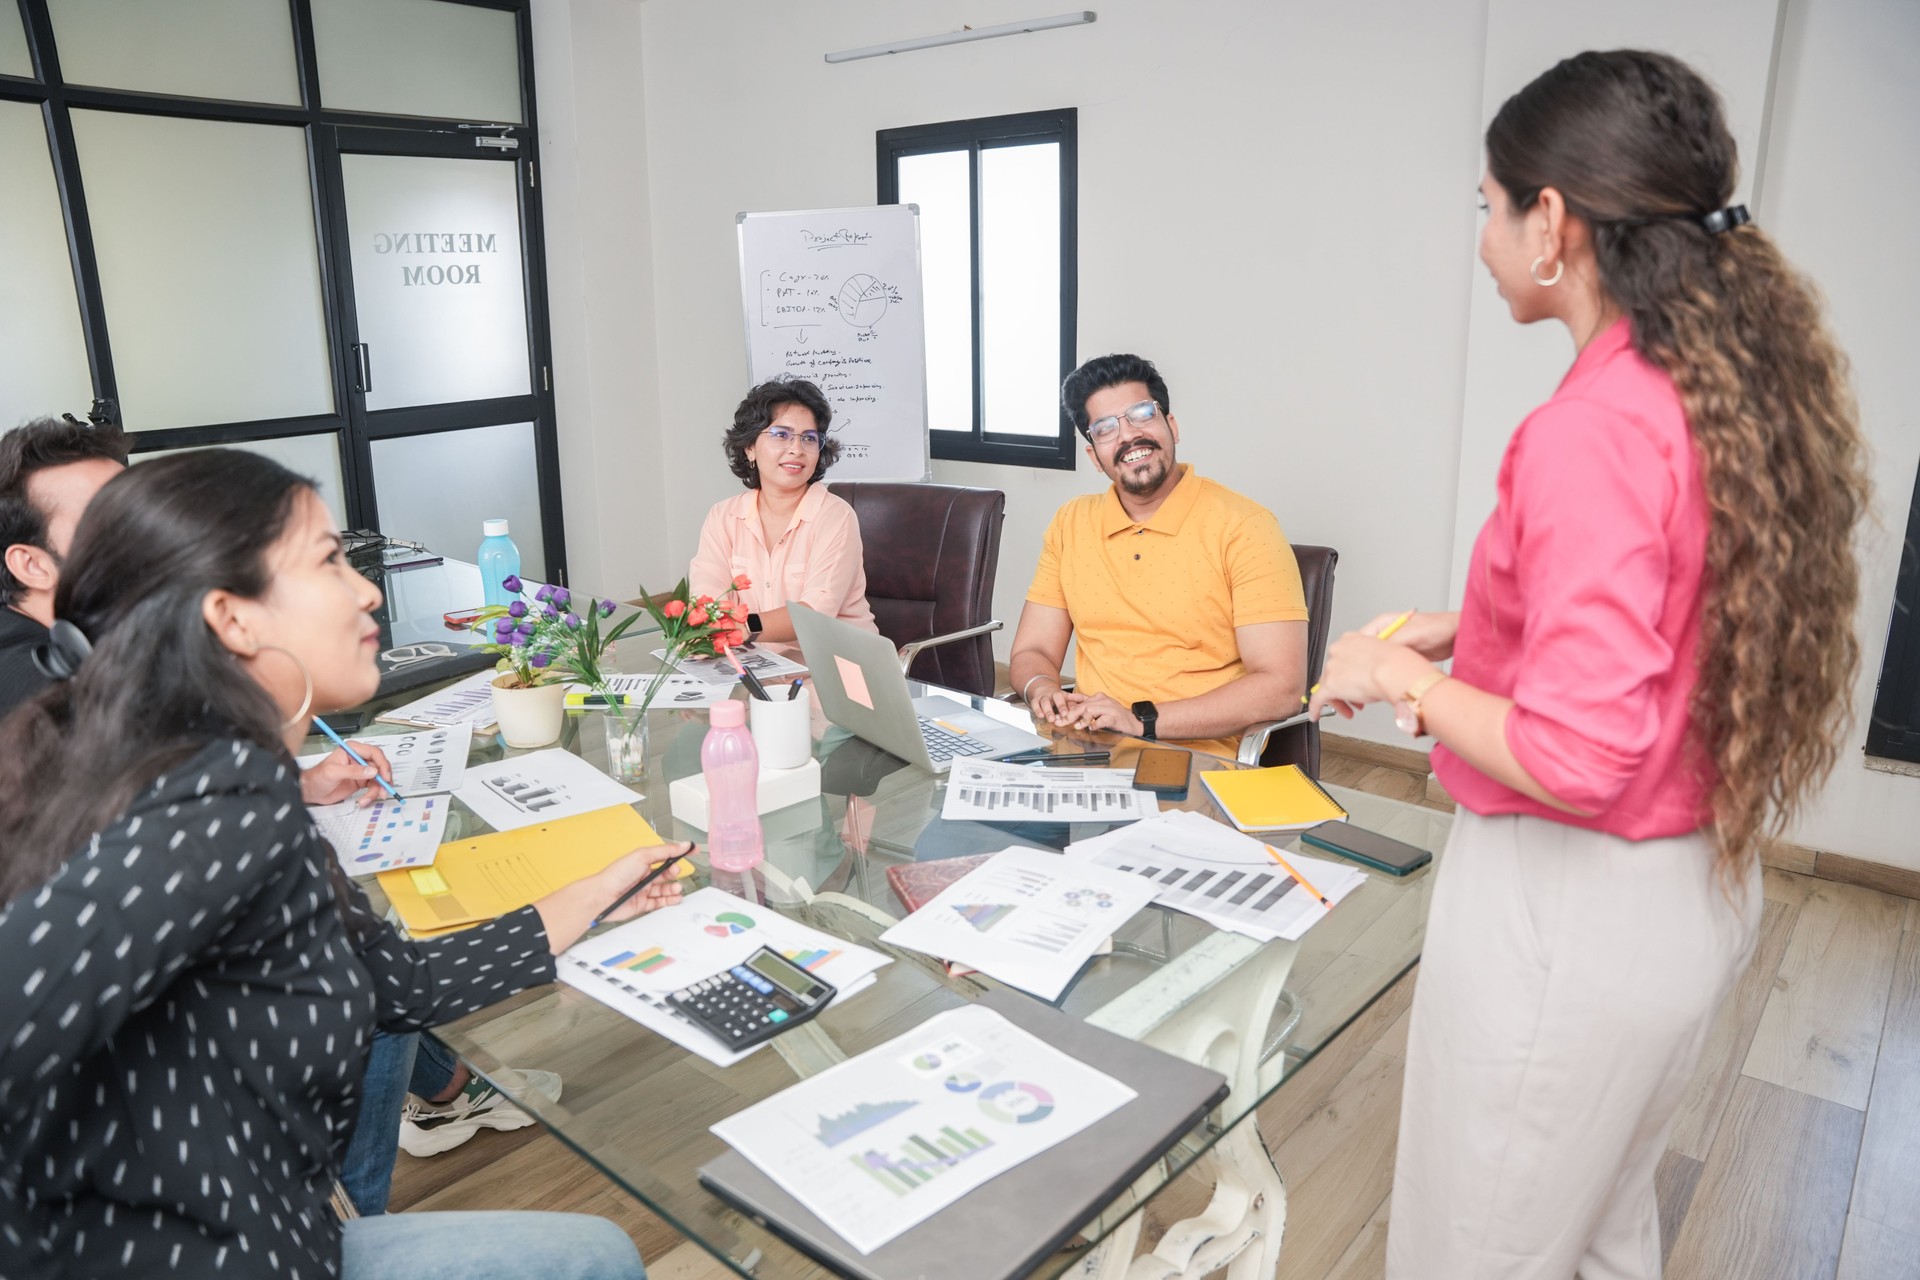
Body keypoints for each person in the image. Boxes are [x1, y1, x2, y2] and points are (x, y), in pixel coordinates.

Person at [1307, 51, 1869, 1279]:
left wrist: (1393, 677)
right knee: (1602, 1230)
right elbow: (1657, 609)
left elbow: (1578, 750)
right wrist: (1467, 629)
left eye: (1488, 208)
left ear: (1551, 219)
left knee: (1480, 1245)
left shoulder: (1587, 428)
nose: (1484, 239)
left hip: (1568, 904)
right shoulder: (1704, 391)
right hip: (1681, 890)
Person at [0, 449, 691, 1278]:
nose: (367, 590)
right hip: (209, 1252)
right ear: (234, 618)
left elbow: (397, 985)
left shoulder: (219, 776)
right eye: (328, 561)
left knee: (595, 1255)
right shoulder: (218, 799)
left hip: (277, 1226)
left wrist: (590, 897)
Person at [1008, 354, 1309, 758]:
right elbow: (1033, 652)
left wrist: (1140, 720)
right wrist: (1041, 689)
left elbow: (1281, 689)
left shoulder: (1245, 527)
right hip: (1083, 750)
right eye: (1105, 428)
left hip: (1194, 758)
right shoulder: (1070, 523)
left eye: (1141, 414)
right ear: (1094, 457)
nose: (1129, 436)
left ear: (1172, 427)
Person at [689, 377, 876, 641]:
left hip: (835, 669)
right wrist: (712, 631)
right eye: (781, 435)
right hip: (756, 668)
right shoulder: (723, 517)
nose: (797, 449)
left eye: (809, 438)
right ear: (750, 447)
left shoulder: (836, 516)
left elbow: (816, 613)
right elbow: (708, 600)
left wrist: (743, 629)